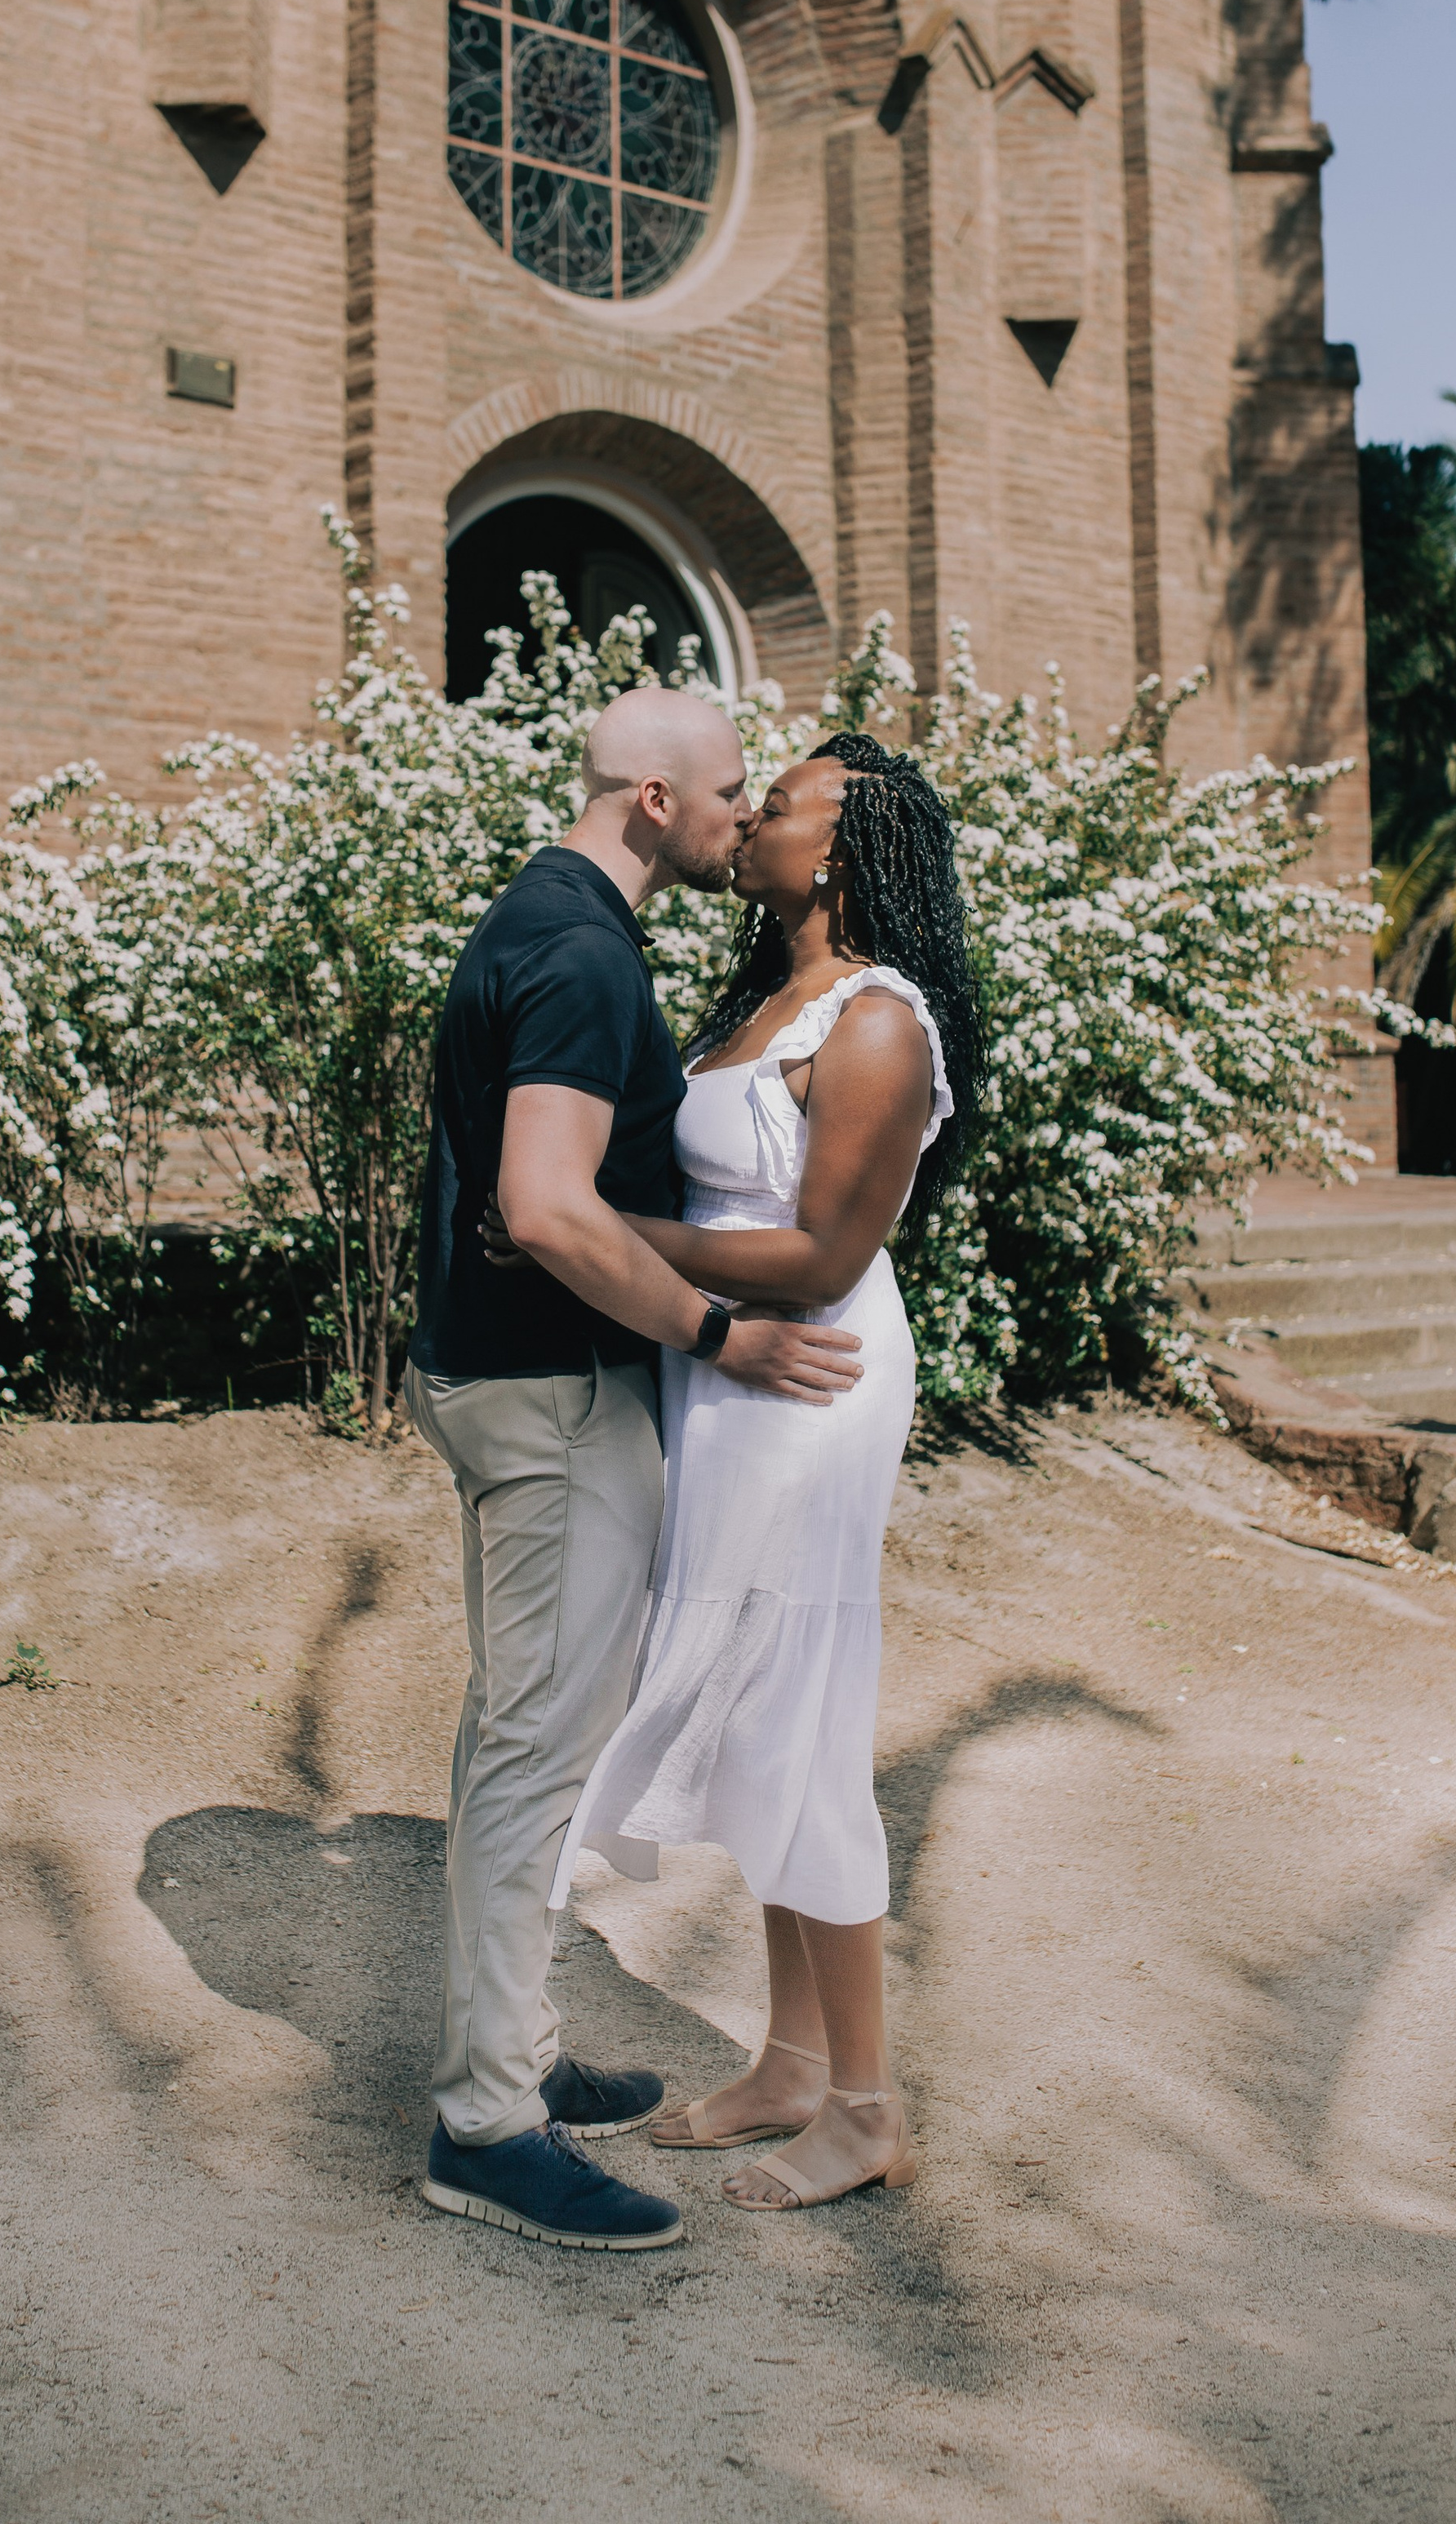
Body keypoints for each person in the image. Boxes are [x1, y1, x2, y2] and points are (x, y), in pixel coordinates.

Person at [404, 687, 866, 2255]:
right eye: (732, 790)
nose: (746, 815)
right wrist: (715, 1332)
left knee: (516, 1735)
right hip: (546, 1397)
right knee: (536, 1751)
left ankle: (516, 2053)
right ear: (656, 801)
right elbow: (545, 1202)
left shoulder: (531, 916)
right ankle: (486, 2126)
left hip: (497, 1377)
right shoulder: (592, 952)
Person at [546, 731, 980, 2212]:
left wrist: (612, 1244)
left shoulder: (875, 1022)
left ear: (845, 847)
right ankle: (792, 2061)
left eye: (777, 805)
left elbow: (822, 1254)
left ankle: (866, 2107)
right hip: (726, 1368)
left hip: (811, 1376)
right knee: (750, 1720)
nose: (748, 821)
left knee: (799, 1711)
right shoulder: (766, 1002)